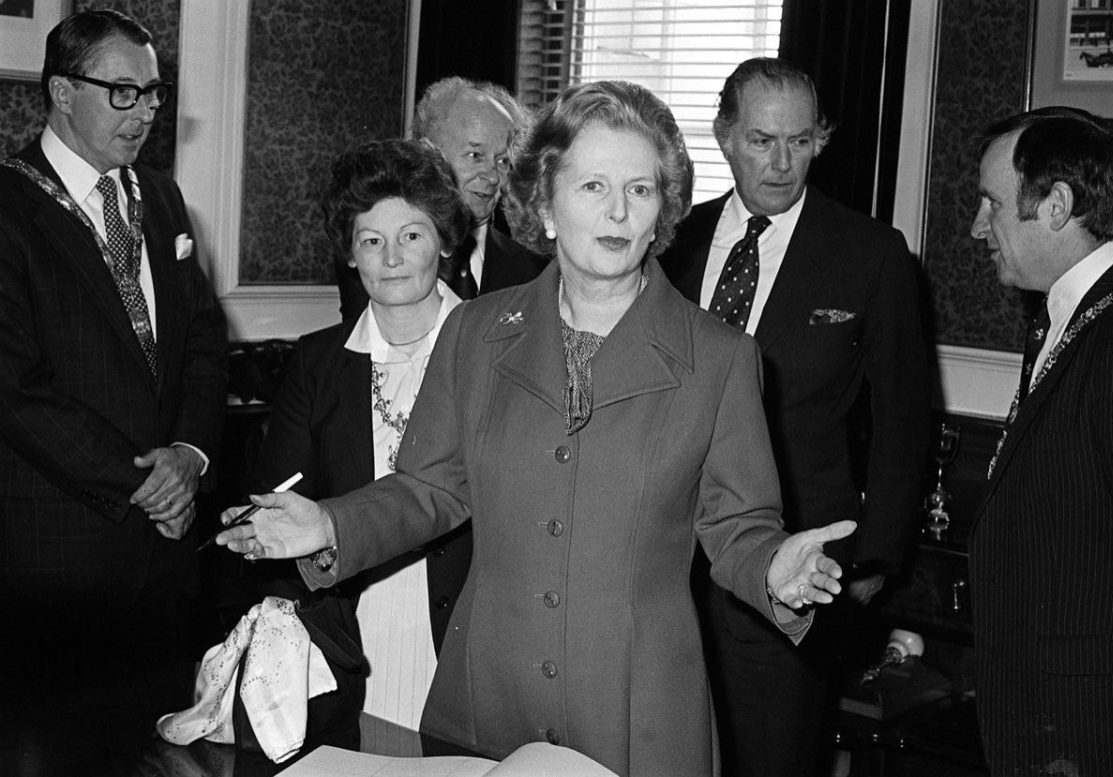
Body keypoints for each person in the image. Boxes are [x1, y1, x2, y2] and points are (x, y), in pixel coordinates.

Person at [217, 80, 856, 777]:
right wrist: (329, 526)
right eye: (593, 186)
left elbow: (738, 526)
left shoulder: (721, 358)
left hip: (640, 710)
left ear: (661, 211)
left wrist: (776, 569)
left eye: (640, 189)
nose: (618, 210)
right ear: (547, 203)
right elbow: (430, 488)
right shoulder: (475, 331)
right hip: (488, 697)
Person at [658, 57, 930, 775]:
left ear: (820, 140)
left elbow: (904, 421)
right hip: (663, 559)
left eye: (800, 141)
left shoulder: (870, 254)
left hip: (795, 563)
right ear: (723, 136)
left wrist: (873, 560)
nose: (782, 163)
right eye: (761, 140)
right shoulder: (670, 240)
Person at [0, 9, 227, 775]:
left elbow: (203, 342)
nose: (145, 112)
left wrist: (189, 454)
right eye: (123, 92)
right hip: (53, 566)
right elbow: (13, 388)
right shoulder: (8, 204)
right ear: (63, 92)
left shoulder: (162, 199)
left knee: (161, 753)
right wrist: (144, 480)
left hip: (164, 561)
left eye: (154, 94)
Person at [968, 106, 1113, 776]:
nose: (978, 226)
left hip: (1105, 731)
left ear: (1057, 205)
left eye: (992, 203)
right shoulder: (1074, 318)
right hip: (1054, 719)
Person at [254, 138, 473, 739]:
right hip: (348, 629)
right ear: (351, 254)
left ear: (445, 243)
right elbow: (281, 499)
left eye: (411, 236)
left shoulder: (494, 351)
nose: (392, 258)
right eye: (372, 241)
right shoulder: (318, 363)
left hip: (470, 629)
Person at [336, 77, 547, 319]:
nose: (492, 176)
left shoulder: (533, 268)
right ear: (428, 153)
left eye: (503, 161)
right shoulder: (376, 252)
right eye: (475, 155)